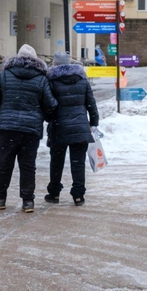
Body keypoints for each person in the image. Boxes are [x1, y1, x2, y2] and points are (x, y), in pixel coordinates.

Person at [0, 44, 57, 213]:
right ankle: (28, 201)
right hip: (30, 130)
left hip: (6, 129)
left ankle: (0, 198)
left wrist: (2, 114)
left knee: (4, 164)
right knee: (28, 165)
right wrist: (40, 116)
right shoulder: (41, 78)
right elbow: (51, 104)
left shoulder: (4, 75)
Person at [44, 52, 99, 207]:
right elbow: (91, 103)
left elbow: (49, 105)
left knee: (56, 161)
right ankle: (78, 195)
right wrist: (93, 122)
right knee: (78, 162)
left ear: (55, 64)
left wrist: (50, 119)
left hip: (59, 127)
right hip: (80, 127)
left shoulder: (51, 80)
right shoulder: (82, 79)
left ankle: (54, 193)